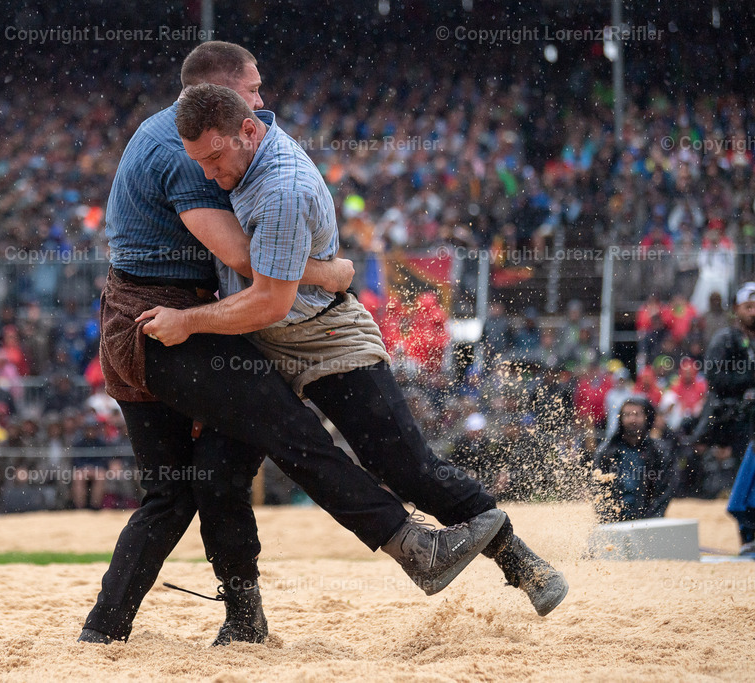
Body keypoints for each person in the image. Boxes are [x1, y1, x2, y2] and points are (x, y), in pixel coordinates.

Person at [79, 41, 507, 647]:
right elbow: (244, 258)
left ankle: (117, 627)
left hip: (142, 321)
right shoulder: (190, 148)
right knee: (289, 429)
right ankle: (410, 546)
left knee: (177, 491)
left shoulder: (172, 131)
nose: (262, 99)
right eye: (253, 89)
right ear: (223, 93)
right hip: (165, 324)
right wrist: (330, 272)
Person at [142, 81, 566, 614]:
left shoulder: (282, 186)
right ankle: (244, 615)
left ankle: (520, 561)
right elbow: (262, 271)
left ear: (248, 131)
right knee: (218, 476)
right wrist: (324, 270)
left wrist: (189, 322)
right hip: (256, 341)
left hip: (323, 336)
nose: (208, 174)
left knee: (405, 467)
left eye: (214, 158)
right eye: (198, 161)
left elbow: (270, 300)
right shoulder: (238, 146)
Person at [705, 282, 755, 555]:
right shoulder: (725, 339)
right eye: (749, 307)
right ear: (737, 309)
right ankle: (747, 537)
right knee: (744, 481)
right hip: (737, 422)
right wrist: (747, 379)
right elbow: (714, 377)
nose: (754, 312)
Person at [592, 398, 676, 523]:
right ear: (620, 419)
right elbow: (598, 489)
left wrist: (651, 519)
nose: (632, 419)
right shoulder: (606, 451)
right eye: (627, 415)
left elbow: (666, 490)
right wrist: (608, 519)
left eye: (637, 414)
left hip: (649, 519)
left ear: (646, 417)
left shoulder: (659, 451)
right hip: (614, 520)